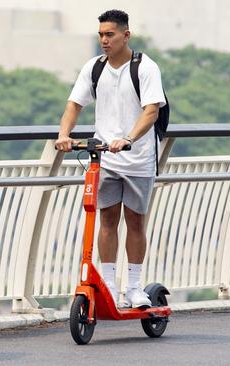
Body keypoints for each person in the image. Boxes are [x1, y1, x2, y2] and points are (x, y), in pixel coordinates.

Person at [55, 9, 166, 308]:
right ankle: (107, 284)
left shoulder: (144, 68)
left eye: (110, 34)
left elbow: (151, 111)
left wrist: (129, 138)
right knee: (106, 220)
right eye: (101, 35)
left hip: (138, 156)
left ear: (126, 35)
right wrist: (64, 134)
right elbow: (74, 105)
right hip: (105, 158)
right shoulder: (94, 68)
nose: (104, 40)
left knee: (135, 221)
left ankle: (134, 287)